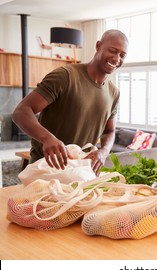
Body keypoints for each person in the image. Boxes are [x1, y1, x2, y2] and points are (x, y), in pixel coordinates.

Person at [12, 29, 128, 175]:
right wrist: (47, 138)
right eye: (113, 51)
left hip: (81, 171)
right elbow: (21, 112)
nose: (117, 59)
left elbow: (109, 131)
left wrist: (103, 151)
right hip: (46, 168)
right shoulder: (65, 76)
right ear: (98, 46)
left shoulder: (114, 93)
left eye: (123, 55)